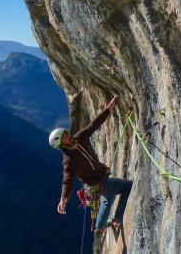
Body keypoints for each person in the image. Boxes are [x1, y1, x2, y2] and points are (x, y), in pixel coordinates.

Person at [48, 96, 132, 233]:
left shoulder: (79, 138)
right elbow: (67, 181)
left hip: (101, 180)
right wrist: (63, 200)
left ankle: (100, 226)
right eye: (64, 137)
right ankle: (117, 219)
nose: (68, 136)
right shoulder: (69, 161)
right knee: (128, 187)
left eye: (65, 133)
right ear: (61, 145)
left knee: (108, 199)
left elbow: (93, 125)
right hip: (97, 183)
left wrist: (108, 109)